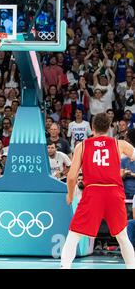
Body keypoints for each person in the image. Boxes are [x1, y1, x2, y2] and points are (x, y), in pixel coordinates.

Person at [60, 113, 135, 269]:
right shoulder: (119, 144)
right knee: (122, 237)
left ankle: (65, 266)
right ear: (109, 128)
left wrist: (70, 194)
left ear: (92, 127)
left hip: (93, 192)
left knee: (74, 234)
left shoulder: (83, 145)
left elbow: (72, 176)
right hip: (114, 192)